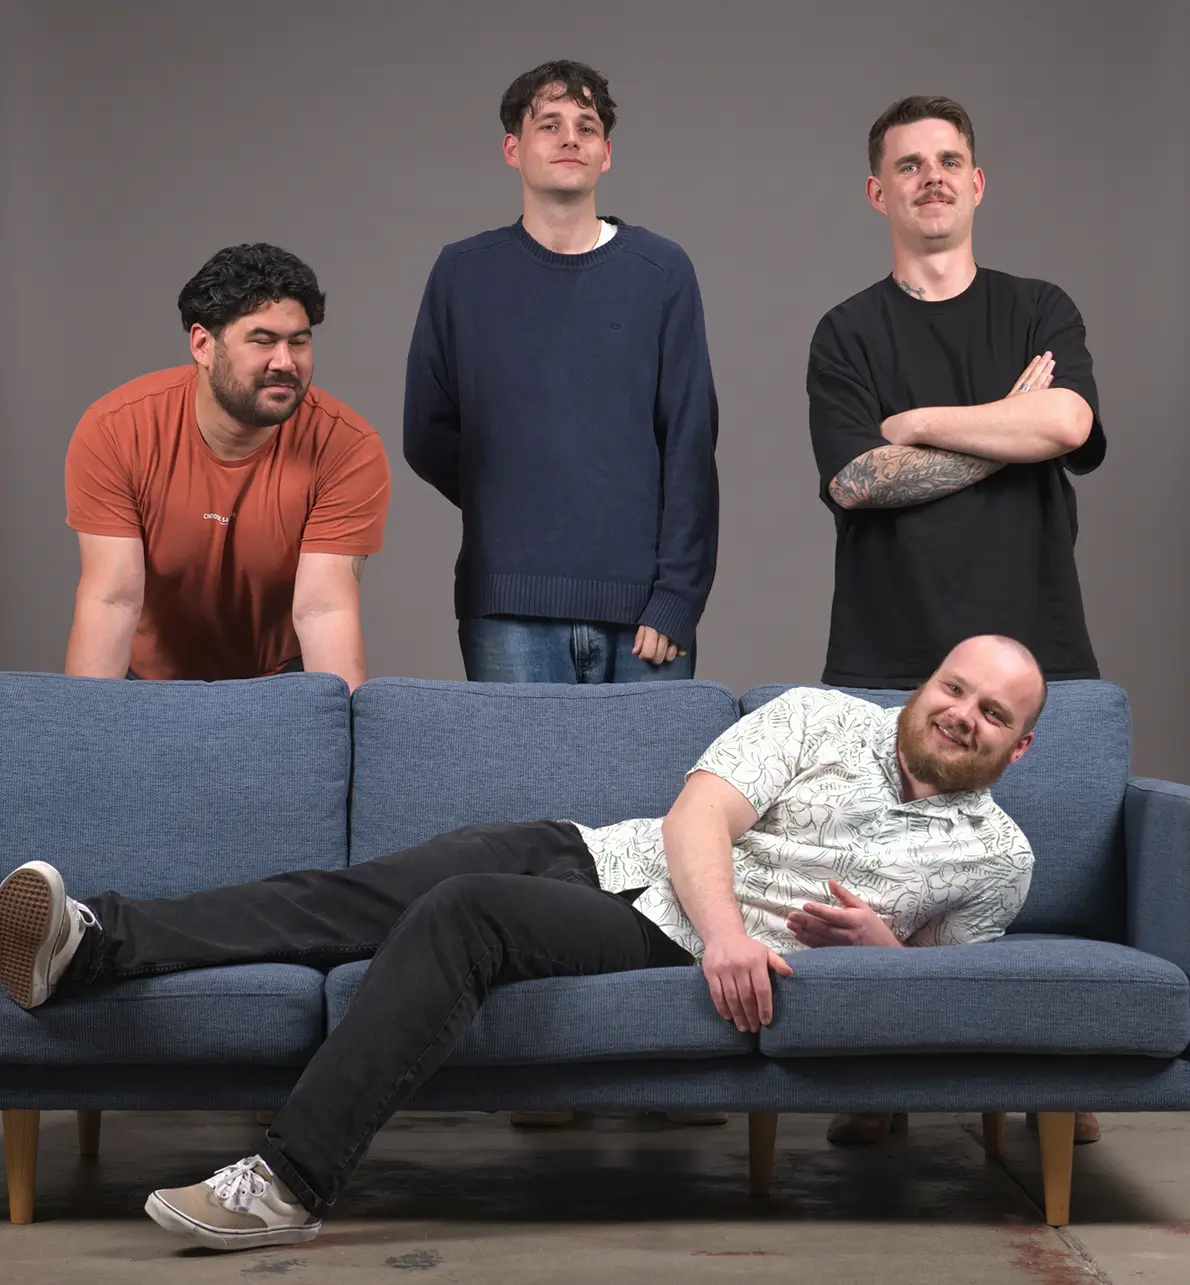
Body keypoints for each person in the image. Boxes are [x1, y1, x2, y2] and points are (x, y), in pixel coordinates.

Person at [0, 634, 1044, 1251]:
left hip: (651, 931)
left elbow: (942, 994)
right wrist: (733, 931)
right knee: (338, 898)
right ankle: (92, 946)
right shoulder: (815, 715)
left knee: (464, 913)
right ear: (925, 682)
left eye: (990, 713)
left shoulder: (994, 856)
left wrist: (876, 947)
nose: (960, 715)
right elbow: (696, 819)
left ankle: (287, 1183)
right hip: (601, 852)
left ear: (1019, 743)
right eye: (952, 688)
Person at [806, 94, 1106, 1145]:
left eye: (948, 160)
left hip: (1036, 642)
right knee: (873, 875)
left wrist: (923, 422)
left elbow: (1066, 420)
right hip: (890, 647)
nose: (930, 177)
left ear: (975, 183)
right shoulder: (846, 331)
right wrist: (1002, 425)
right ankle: (879, 1079)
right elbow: (856, 478)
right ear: (876, 191)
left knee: (1048, 873)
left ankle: (1043, 1075)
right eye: (907, 164)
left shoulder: (1037, 307)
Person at [403, 60, 718, 684]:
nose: (570, 137)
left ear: (606, 154)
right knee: (522, 785)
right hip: (506, 609)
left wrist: (678, 596)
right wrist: (519, 495)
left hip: (645, 613)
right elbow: (426, 432)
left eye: (587, 125)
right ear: (512, 149)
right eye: (549, 124)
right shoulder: (463, 273)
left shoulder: (661, 271)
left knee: (653, 786)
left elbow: (690, 442)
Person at [64, 243, 391, 689]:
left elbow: (324, 608)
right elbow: (112, 599)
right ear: (202, 344)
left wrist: (344, 743)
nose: (285, 363)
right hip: (149, 680)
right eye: (263, 341)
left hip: (279, 680)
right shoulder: (115, 429)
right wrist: (83, 738)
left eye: (299, 341)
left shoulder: (348, 447)